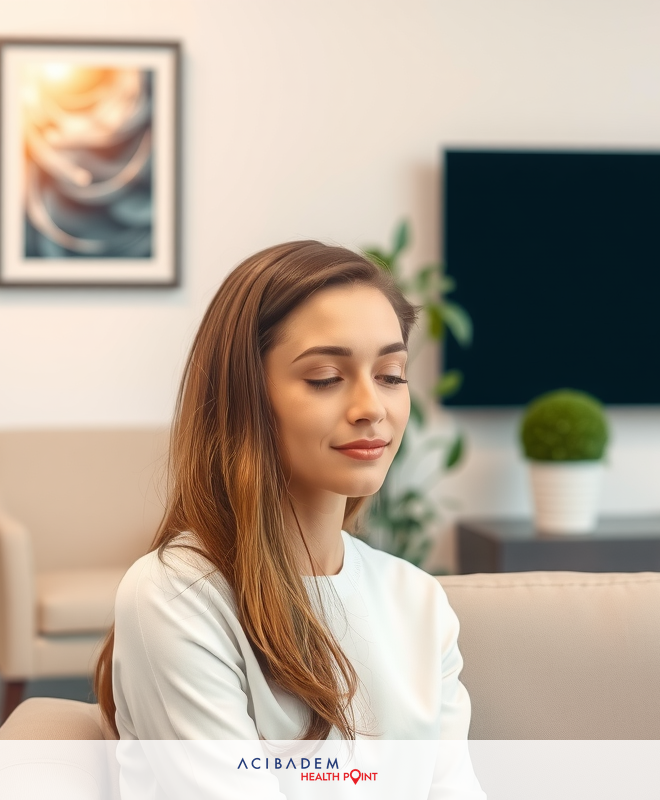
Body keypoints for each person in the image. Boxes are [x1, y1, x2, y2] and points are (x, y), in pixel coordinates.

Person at [95, 242, 483, 795]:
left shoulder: (417, 601)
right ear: (245, 396)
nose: (372, 406)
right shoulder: (178, 595)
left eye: (392, 374)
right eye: (326, 376)